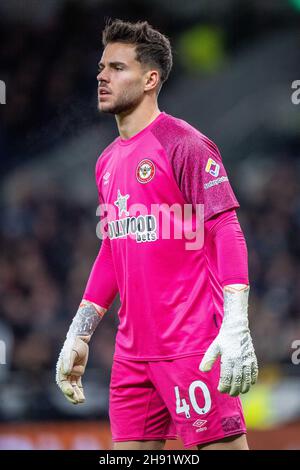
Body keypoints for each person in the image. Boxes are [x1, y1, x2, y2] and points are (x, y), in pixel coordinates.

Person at [56, 19, 258, 451]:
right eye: (101, 67)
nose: (101, 76)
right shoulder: (107, 162)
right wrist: (80, 332)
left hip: (192, 347)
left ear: (150, 79)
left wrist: (236, 322)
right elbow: (114, 249)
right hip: (132, 357)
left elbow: (226, 227)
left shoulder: (183, 144)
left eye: (116, 68)